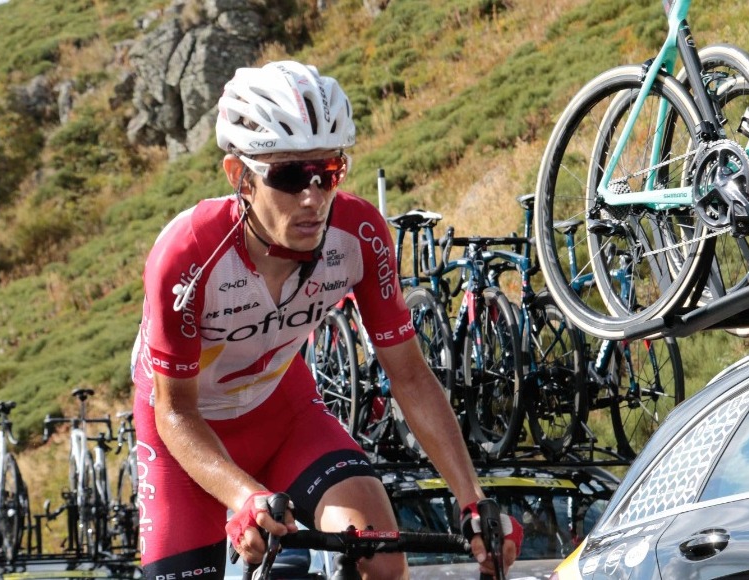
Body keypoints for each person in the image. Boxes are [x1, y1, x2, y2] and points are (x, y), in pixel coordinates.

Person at [129, 60, 521, 579]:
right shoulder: (187, 254)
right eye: (290, 176)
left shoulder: (358, 233)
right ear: (240, 177)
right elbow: (174, 411)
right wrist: (246, 497)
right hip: (185, 435)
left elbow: (408, 374)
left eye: (328, 172)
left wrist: (474, 504)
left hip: (282, 413)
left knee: (381, 560)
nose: (314, 197)